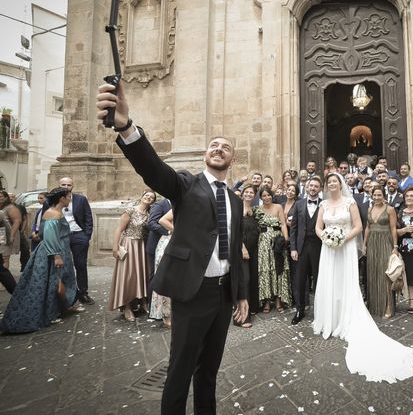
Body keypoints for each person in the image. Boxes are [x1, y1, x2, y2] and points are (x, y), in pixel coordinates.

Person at [97, 82, 248, 415]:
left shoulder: (237, 202)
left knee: (209, 372)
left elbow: (235, 250)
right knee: (180, 372)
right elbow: (154, 169)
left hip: (223, 295)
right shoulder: (186, 185)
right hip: (192, 293)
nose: (218, 148)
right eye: (213, 144)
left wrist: (241, 294)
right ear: (207, 155)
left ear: (232, 158)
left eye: (225, 146)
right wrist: (126, 127)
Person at [313, 172, 413, 383]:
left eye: (335, 181)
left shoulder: (350, 202)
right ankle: (330, 319)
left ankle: (346, 318)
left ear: (339, 183)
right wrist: (325, 236)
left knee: (345, 282)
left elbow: (359, 226)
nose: (332, 184)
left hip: (345, 247)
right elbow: (318, 226)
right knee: (329, 282)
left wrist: (342, 239)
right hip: (328, 248)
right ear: (326, 185)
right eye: (329, 182)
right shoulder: (323, 204)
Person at [0, 187, 82, 333]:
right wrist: (56, 256)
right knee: (51, 283)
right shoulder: (52, 214)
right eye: (68, 197)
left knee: (59, 280)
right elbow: (50, 236)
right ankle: (50, 312)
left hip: (61, 250)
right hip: (53, 253)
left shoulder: (56, 212)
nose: (70, 199)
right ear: (61, 199)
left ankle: (60, 308)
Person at [108, 190, 156, 321]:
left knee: (141, 275)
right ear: (141, 197)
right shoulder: (130, 210)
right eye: (146, 195)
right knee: (128, 276)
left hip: (142, 246)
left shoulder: (149, 213)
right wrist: (115, 247)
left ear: (153, 201)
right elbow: (119, 229)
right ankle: (127, 307)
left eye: (151, 197)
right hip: (129, 244)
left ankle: (143, 302)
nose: (148, 198)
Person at [289, 176, 323, 325]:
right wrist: (293, 248)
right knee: (300, 280)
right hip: (301, 248)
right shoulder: (298, 204)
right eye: (311, 186)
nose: (313, 188)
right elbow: (293, 228)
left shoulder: (324, 205)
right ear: (307, 188)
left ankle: (320, 311)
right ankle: (299, 310)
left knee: (319, 280)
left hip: (319, 247)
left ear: (320, 189)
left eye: (316, 186)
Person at [57, 177, 95, 305]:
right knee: (63, 266)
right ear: (59, 185)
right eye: (63, 184)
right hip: (61, 237)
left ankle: (83, 293)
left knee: (80, 265)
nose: (66, 187)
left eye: (69, 185)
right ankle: (66, 293)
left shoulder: (81, 199)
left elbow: (88, 218)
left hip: (79, 235)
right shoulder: (51, 200)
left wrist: (86, 236)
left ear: (72, 186)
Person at [363, 185, 399, 318]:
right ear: (371, 196)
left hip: (385, 242)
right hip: (372, 243)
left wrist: (395, 247)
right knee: (373, 272)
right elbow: (368, 227)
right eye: (374, 195)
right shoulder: (369, 208)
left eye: (379, 195)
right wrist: (364, 244)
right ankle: (374, 305)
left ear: (383, 195)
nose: (377, 197)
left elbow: (393, 228)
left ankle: (388, 306)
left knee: (385, 275)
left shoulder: (390, 209)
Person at [256, 187, 291, 313]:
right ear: (260, 197)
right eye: (264, 196)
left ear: (272, 195)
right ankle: (266, 300)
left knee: (278, 268)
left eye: (268, 195)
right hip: (263, 243)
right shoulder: (257, 210)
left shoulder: (278, 207)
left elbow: (282, 224)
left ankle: (278, 299)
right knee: (266, 269)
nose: (266, 198)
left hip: (277, 241)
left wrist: (286, 239)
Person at [149, 209, 173, 328]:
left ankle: (173, 315)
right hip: (168, 244)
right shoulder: (181, 204)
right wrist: (181, 232)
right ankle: (166, 316)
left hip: (182, 245)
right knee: (165, 280)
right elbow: (162, 220)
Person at [240, 186, 260, 320]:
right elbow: (234, 231)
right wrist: (242, 248)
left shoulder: (254, 210)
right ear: (242, 194)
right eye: (246, 192)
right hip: (241, 249)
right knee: (244, 279)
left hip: (254, 248)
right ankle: (243, 316)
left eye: (251, 193)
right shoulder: (237, 209)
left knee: (253, 278)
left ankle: (253, 307)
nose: (248, 194)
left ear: (254, 196)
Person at [146, 197, 171, 286]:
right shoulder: (160, 204)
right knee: (154, 276)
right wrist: (168, 231)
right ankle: (151, 299)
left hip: (169, 247)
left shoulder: (178, 203)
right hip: (155, 244)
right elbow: (151, 223)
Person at [0, 191, 21, 269]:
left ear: (6, 198)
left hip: (7, 234)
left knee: (4, 258)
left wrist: (11, 236)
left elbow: (17, 221)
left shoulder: (11, 207)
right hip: (1, 234)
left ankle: (4, 278)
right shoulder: (1, 207)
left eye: (1, 196)